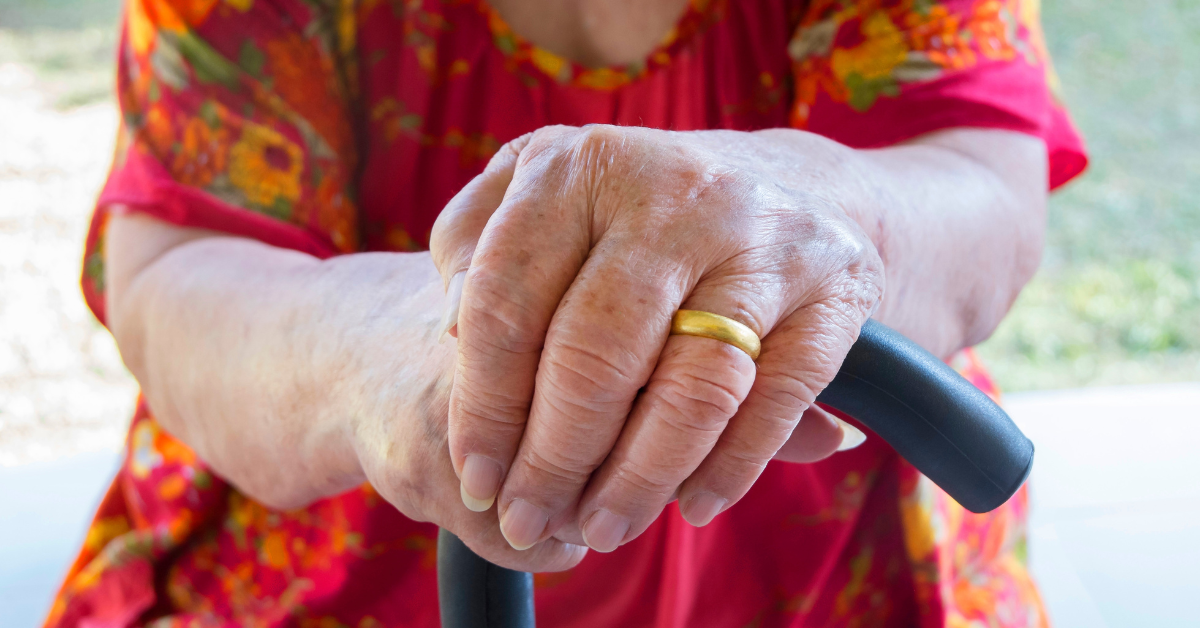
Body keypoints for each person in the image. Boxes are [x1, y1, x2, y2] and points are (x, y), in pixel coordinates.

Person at [45, 0, 1086, 625]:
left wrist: (799, 215)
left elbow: (981, 187)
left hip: (828, 578)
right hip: (335, 585)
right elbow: (180, 273)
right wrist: (397, 337)